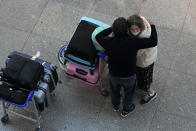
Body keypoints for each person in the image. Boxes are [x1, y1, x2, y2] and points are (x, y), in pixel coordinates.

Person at [95, 17, 158, 117]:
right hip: (129, 76)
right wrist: (152, 25)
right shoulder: (133, 42)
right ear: (127, 30)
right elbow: (153, 41)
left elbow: (98, 36)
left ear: (114, 30)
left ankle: (115, 106)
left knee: (114, 91)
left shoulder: (108, 41)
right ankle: (126, 110)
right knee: (129, 94)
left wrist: (111, 28)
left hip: (113, 75)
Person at [127, 14, 157, 104]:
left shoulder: (144, 36)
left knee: (145, 78)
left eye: (137, 29)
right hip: (143, 58)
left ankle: (151, 93)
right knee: (140, 75)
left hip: (144, 61)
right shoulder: (142, 20)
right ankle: (140, 85)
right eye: (133, 29)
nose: (135, 31)